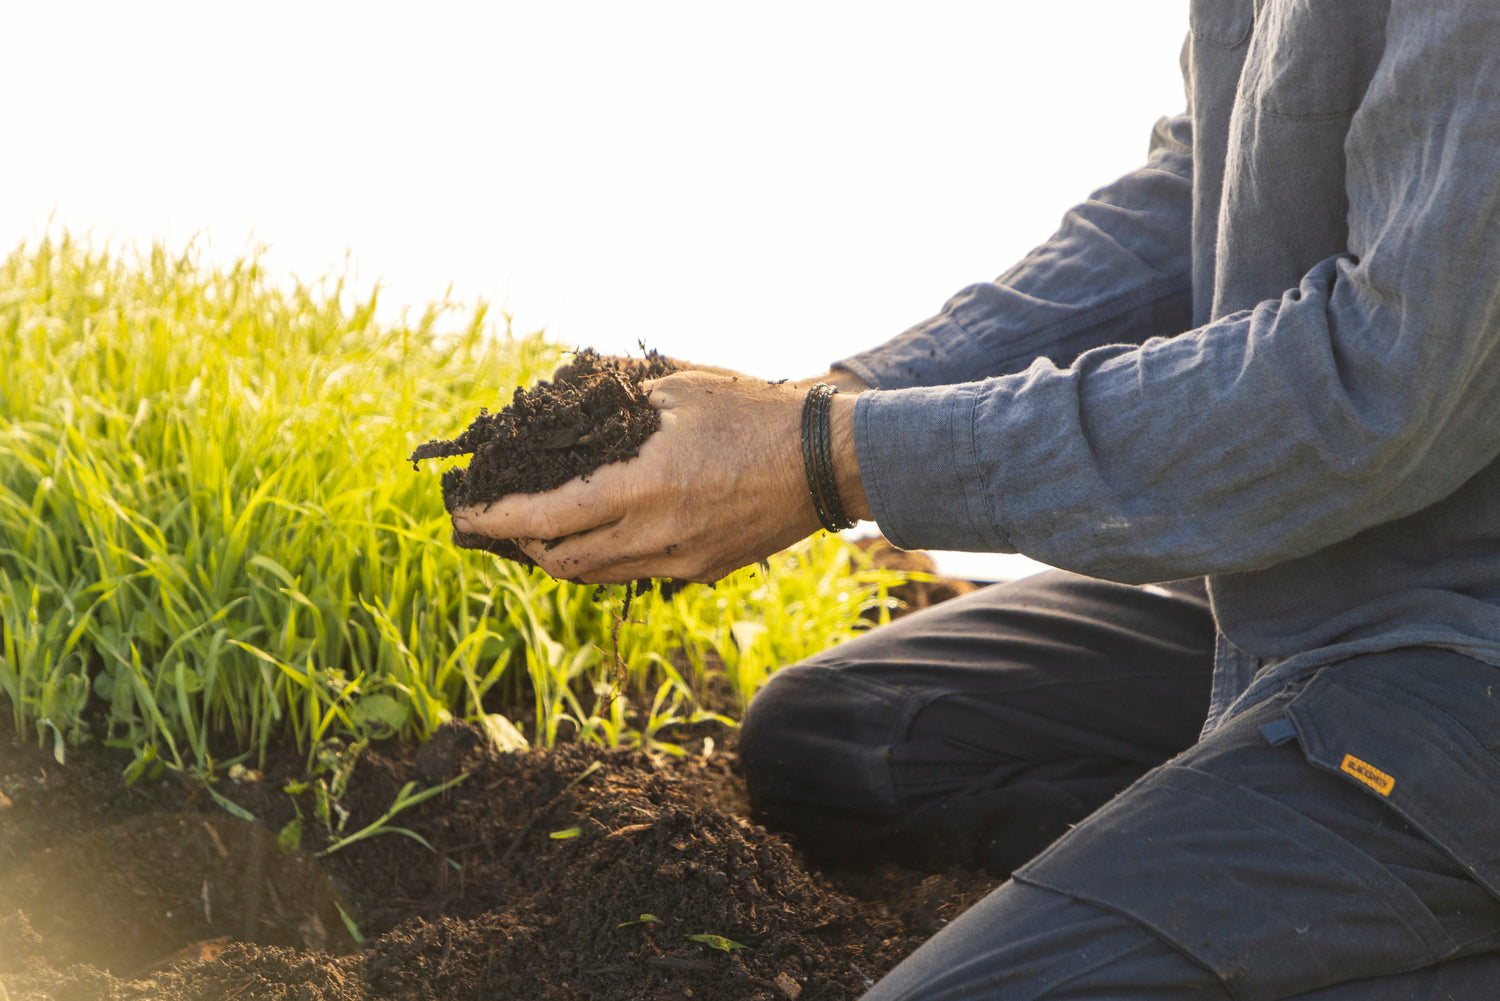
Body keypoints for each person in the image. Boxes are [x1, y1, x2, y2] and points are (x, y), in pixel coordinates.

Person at [453, 2, 1500, 997]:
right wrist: (834, 405)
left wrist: (836, 461)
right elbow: (1197, 195)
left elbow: (1373, 384)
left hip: (1459, 664)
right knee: (839, 746)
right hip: (1286, 584)